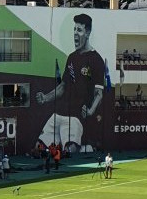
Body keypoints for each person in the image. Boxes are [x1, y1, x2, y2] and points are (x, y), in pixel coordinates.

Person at [35, 13, 105, 153]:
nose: (75, 34)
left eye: (79, 30)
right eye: (74, 30)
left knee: (70, 150)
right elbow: (62, 87)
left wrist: (90, 111)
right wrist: (46, 98)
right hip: (58, 113)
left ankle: (89, 148)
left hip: (75, 116)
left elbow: (99, 93)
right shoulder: (72, 57)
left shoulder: (96, 60)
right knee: (38, 148)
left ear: (88, 33)